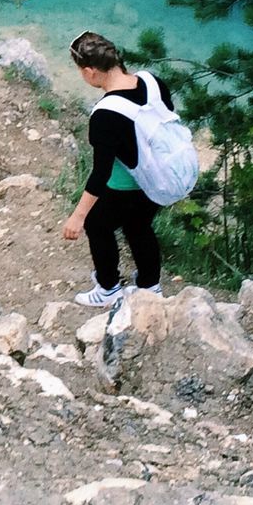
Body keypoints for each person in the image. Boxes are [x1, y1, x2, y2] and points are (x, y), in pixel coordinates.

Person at [62, 31, 170, 307]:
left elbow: (101, 174)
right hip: (159, 177)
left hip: (128, 184)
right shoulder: (153, 82)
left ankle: (108, 288)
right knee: (139, 226)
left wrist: (77, 216)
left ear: (89, 72)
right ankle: (150, 286)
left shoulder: (105, 113)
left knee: (97, 224)